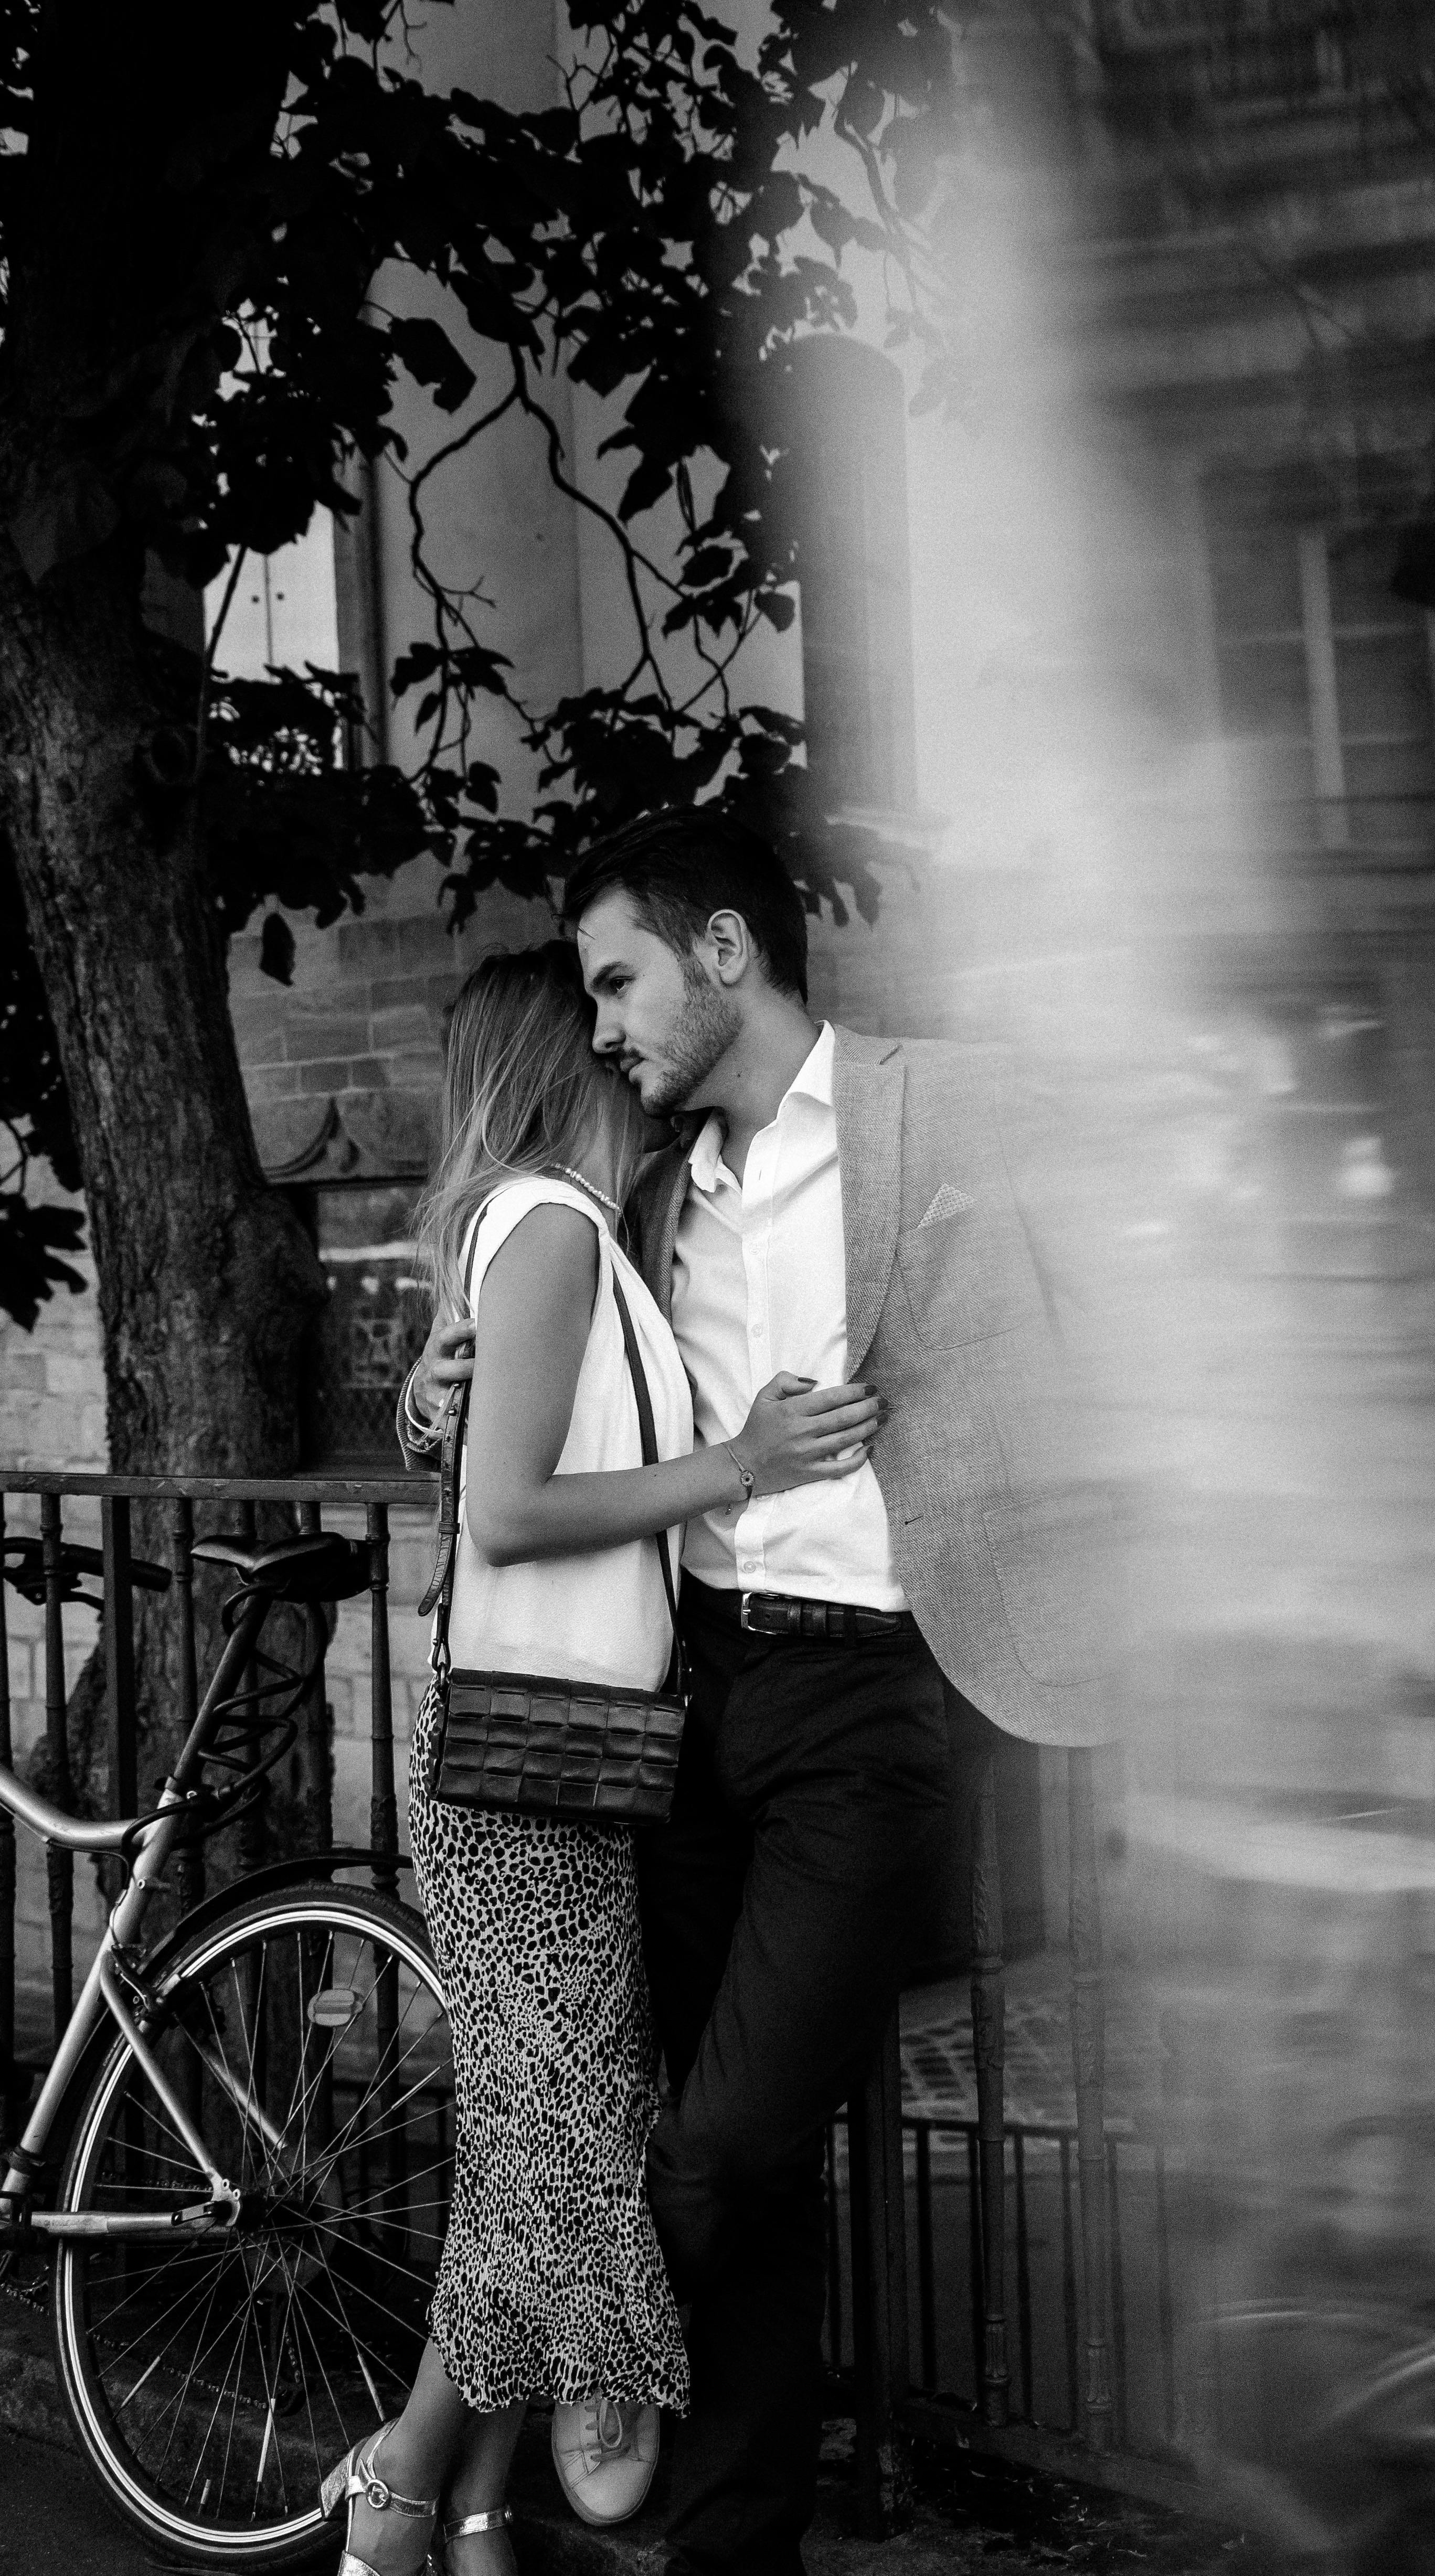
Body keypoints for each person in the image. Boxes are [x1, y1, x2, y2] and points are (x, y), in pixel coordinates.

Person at [403, 814, 1116, 2576]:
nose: (604, 1027)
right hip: (690, 1691)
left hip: (873, 1702)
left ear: (727, 951)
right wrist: (432, 1394)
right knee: (730, 2154)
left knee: (713, 2151)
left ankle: (500, 2454)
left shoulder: (944, 1106)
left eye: (621, 978)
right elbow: (534, 1404)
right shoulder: (632, 1181)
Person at [329, 943, 881, 2576]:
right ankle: (410, 2475)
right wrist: (741, 1461)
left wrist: (433, 1415)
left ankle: (467, 2496)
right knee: (562, 2132)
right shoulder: (558, 1227)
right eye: (598, 1022)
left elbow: (493, 1456)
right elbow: (510, 1514)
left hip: (560, 1758)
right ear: (552, 1058)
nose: (620, 1042)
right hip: (530, 1766)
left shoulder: (569, 1234)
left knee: (546, 2131)